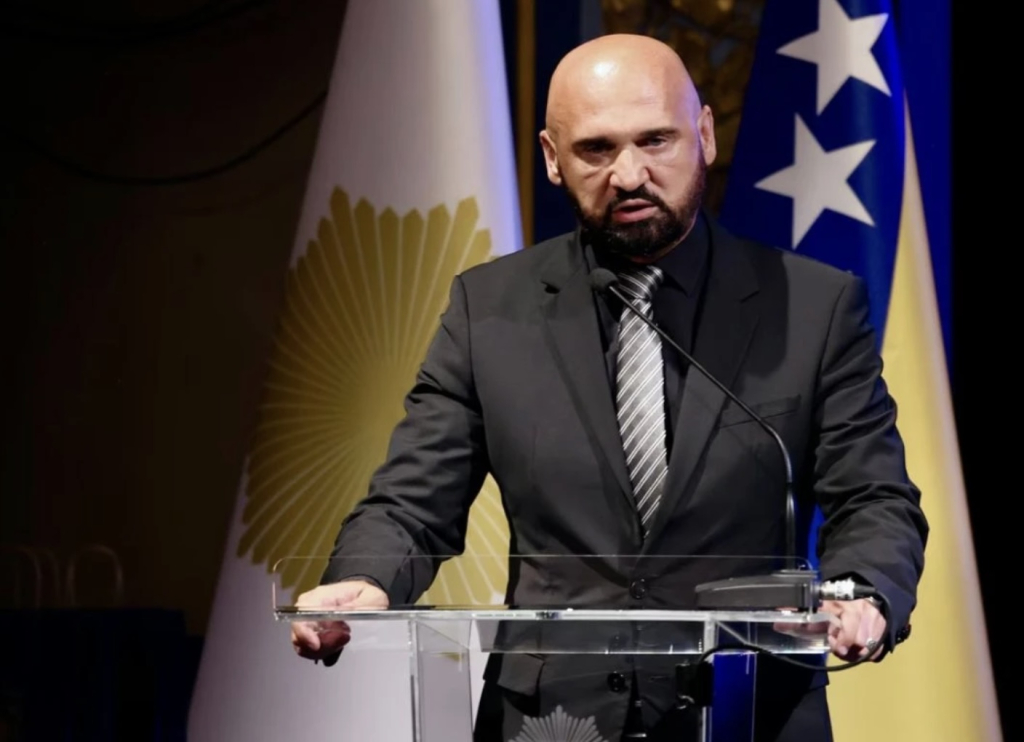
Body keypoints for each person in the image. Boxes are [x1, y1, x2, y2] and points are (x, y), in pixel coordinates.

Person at [290, 33, 928, 742]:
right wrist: (367, 578)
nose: (629, 175)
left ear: (705, 135)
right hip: (550, 719)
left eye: (655, 140)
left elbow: (873, 497)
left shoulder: (811, 308)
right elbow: (414, 499)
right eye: (596, 149)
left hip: (750, 711)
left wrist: (861, 592)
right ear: (551, 158)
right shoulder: (489, 310)